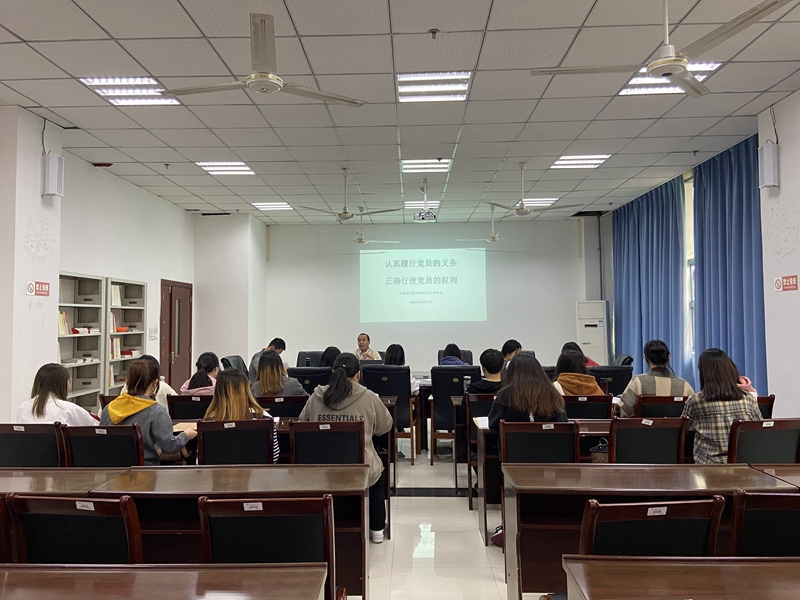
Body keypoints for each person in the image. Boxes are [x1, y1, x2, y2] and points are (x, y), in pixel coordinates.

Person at [299, 353, 393, 544]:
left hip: (322, 469)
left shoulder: (316, 397)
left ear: (333, 372)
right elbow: (385, 426)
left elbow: (303, 423)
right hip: (359, 468)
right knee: (376, 469)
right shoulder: (368, 397)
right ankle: (376, 529)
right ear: (358, 374)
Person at [486, 352, 566, 548]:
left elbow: (493, 423)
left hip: (514, 460)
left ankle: (508, 526)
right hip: (551, 460)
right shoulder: (552, 394)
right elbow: (563, 424)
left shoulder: (505, 395)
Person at [100, 359, 196, 465]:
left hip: (112, 470)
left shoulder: (109, 408)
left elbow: (103, 441)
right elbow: (170, 446)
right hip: (145, 470)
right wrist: (186, 435)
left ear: (127, 382)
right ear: (154, 384)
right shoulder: (157, 412)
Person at [681, 348, 762, 464]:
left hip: (709, 466)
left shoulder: (696, 401)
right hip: (743, 465)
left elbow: (685, 429)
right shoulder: (748, 398)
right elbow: (759, 427)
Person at [204, 369, 279, 463]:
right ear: (246, 390)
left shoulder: (208, 421)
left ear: (218, 392)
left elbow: (201, 461)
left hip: (218, 472)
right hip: (257, 472)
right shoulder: (265, 418)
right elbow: (274, 457)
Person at [618, 340, 695, 417]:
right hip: (675, 425)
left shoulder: (638, 382)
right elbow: (693, 415)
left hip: (643, 425)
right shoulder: (685, 386)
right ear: (668, 358)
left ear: (646, 359)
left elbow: (624, 413)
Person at [16, 363, 96, 425]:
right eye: (69, 382)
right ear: (62, 384)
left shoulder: (23, 408)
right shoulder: (69, 409)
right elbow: (95, 427)